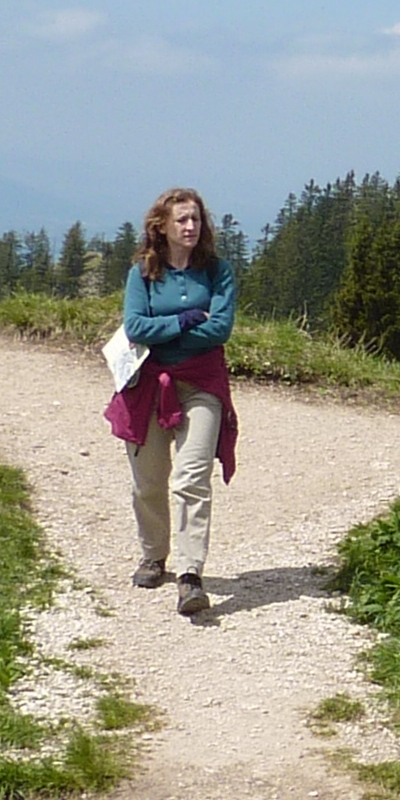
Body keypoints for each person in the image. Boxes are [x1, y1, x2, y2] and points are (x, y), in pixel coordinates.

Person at [104, 187, 240, 618]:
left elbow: (219, 330)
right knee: (147, 480)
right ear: (160, 226)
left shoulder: (218, 271)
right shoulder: (142, 273)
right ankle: (153, 554)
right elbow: (135, 326)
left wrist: (163, 329)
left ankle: (190, 575)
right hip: (148, 384)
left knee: (191, 477)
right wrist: (181, 321)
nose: (190, 227)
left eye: (196, 219)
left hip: (202, 383)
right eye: (182, 220)